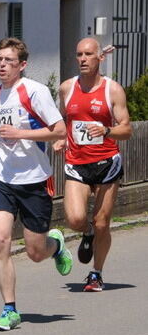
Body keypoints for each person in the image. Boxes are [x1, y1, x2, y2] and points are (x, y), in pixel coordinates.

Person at [0, 37, 73, 331]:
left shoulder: (34, 92)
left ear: (22, 65)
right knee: (0, 239)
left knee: (35, 252)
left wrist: (21, 135)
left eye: (9, 61)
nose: (2, 65)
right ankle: (10, 309)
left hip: (34, 179)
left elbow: (59, 131)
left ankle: (55, 244)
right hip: (2, 177)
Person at [55, 38, 132, 292]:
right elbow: (61, 122)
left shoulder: (113, 89)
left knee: (102, 222)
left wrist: (106, 129)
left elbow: (127, 129)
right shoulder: (67, 88)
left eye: (88, 54)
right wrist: (60, 139)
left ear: (101, 57)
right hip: (77, 162)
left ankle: (96, 274)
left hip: (107, 163)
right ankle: (85, 232)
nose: (83, 59)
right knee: (75, 219)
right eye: (79, 54)